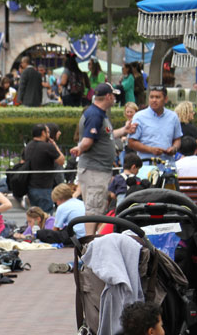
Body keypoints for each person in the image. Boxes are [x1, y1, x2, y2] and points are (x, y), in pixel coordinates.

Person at [70, 83, 136, 234]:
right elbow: (87, 140)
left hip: (98, 170)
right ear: (108, 96)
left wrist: (125, 130)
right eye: (113, 96)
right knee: (93, 209)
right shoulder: (95, 115)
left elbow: (107, 136)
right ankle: (89, 243)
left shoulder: (99, 114)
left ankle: (91, 242)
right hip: (94, 170)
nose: (115, 99)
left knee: (97, 207)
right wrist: (80, 148)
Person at [128, 87, 182, 163]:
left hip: (168, 165)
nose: (154, 100)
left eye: (158, 97)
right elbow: (131, 142)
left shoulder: (173, 116)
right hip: (146, 165)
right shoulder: (139, 117)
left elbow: (177, 139)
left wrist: (174, 148)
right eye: (151, 97)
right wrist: (151, 150)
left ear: (165, 99)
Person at [22, 123, 65, 213]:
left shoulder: (28, 146)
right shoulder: (47, 147)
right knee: (46, 215)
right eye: (47, 132)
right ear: (43, 133)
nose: (49, 135)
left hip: (31, 186)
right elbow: (61, 161)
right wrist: (54, 146)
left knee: (34, 214)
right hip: (44, 187)